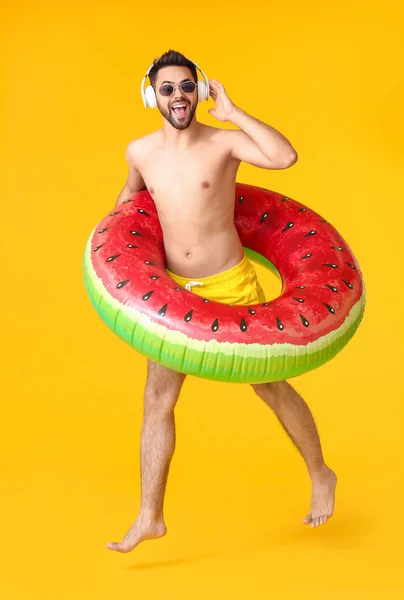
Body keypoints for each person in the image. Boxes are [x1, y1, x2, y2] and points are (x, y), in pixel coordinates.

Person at [106, 50, 337, 553]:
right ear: (152, 95)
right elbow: (129, 198)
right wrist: (112, 247)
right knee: (157, 400)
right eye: (167, 89)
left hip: (230, 284)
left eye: (187, 87)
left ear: (199, 89)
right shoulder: (140, 151)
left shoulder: (222, 143)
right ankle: (150, 515)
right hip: (173, 293)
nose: (179, 97)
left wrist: (231, 112)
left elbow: (283, 157)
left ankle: (321, 473)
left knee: (271, 388)